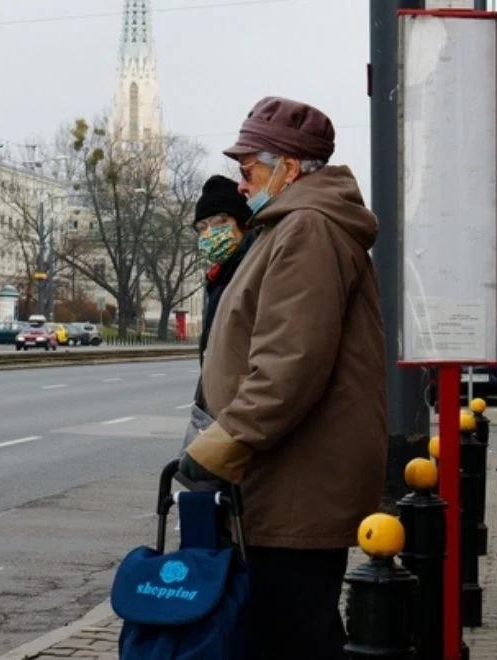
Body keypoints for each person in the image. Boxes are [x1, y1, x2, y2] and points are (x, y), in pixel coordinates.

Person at [179, 97, 388, 659]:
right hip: (287, 476)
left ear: (289, 168)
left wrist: (223, 444)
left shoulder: (308, 230)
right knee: (290, 630)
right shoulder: (291, 226)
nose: (241, 185)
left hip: (295, 481)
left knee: (292, 634)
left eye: (249, 170)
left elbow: (288, 365)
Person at [190, 175, 253, 409]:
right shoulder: (217, 277)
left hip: (240, 411)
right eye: (202, 227)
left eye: (220, 221)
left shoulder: (252, 269)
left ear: (242, 223)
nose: (209, 233)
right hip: (219, 407)